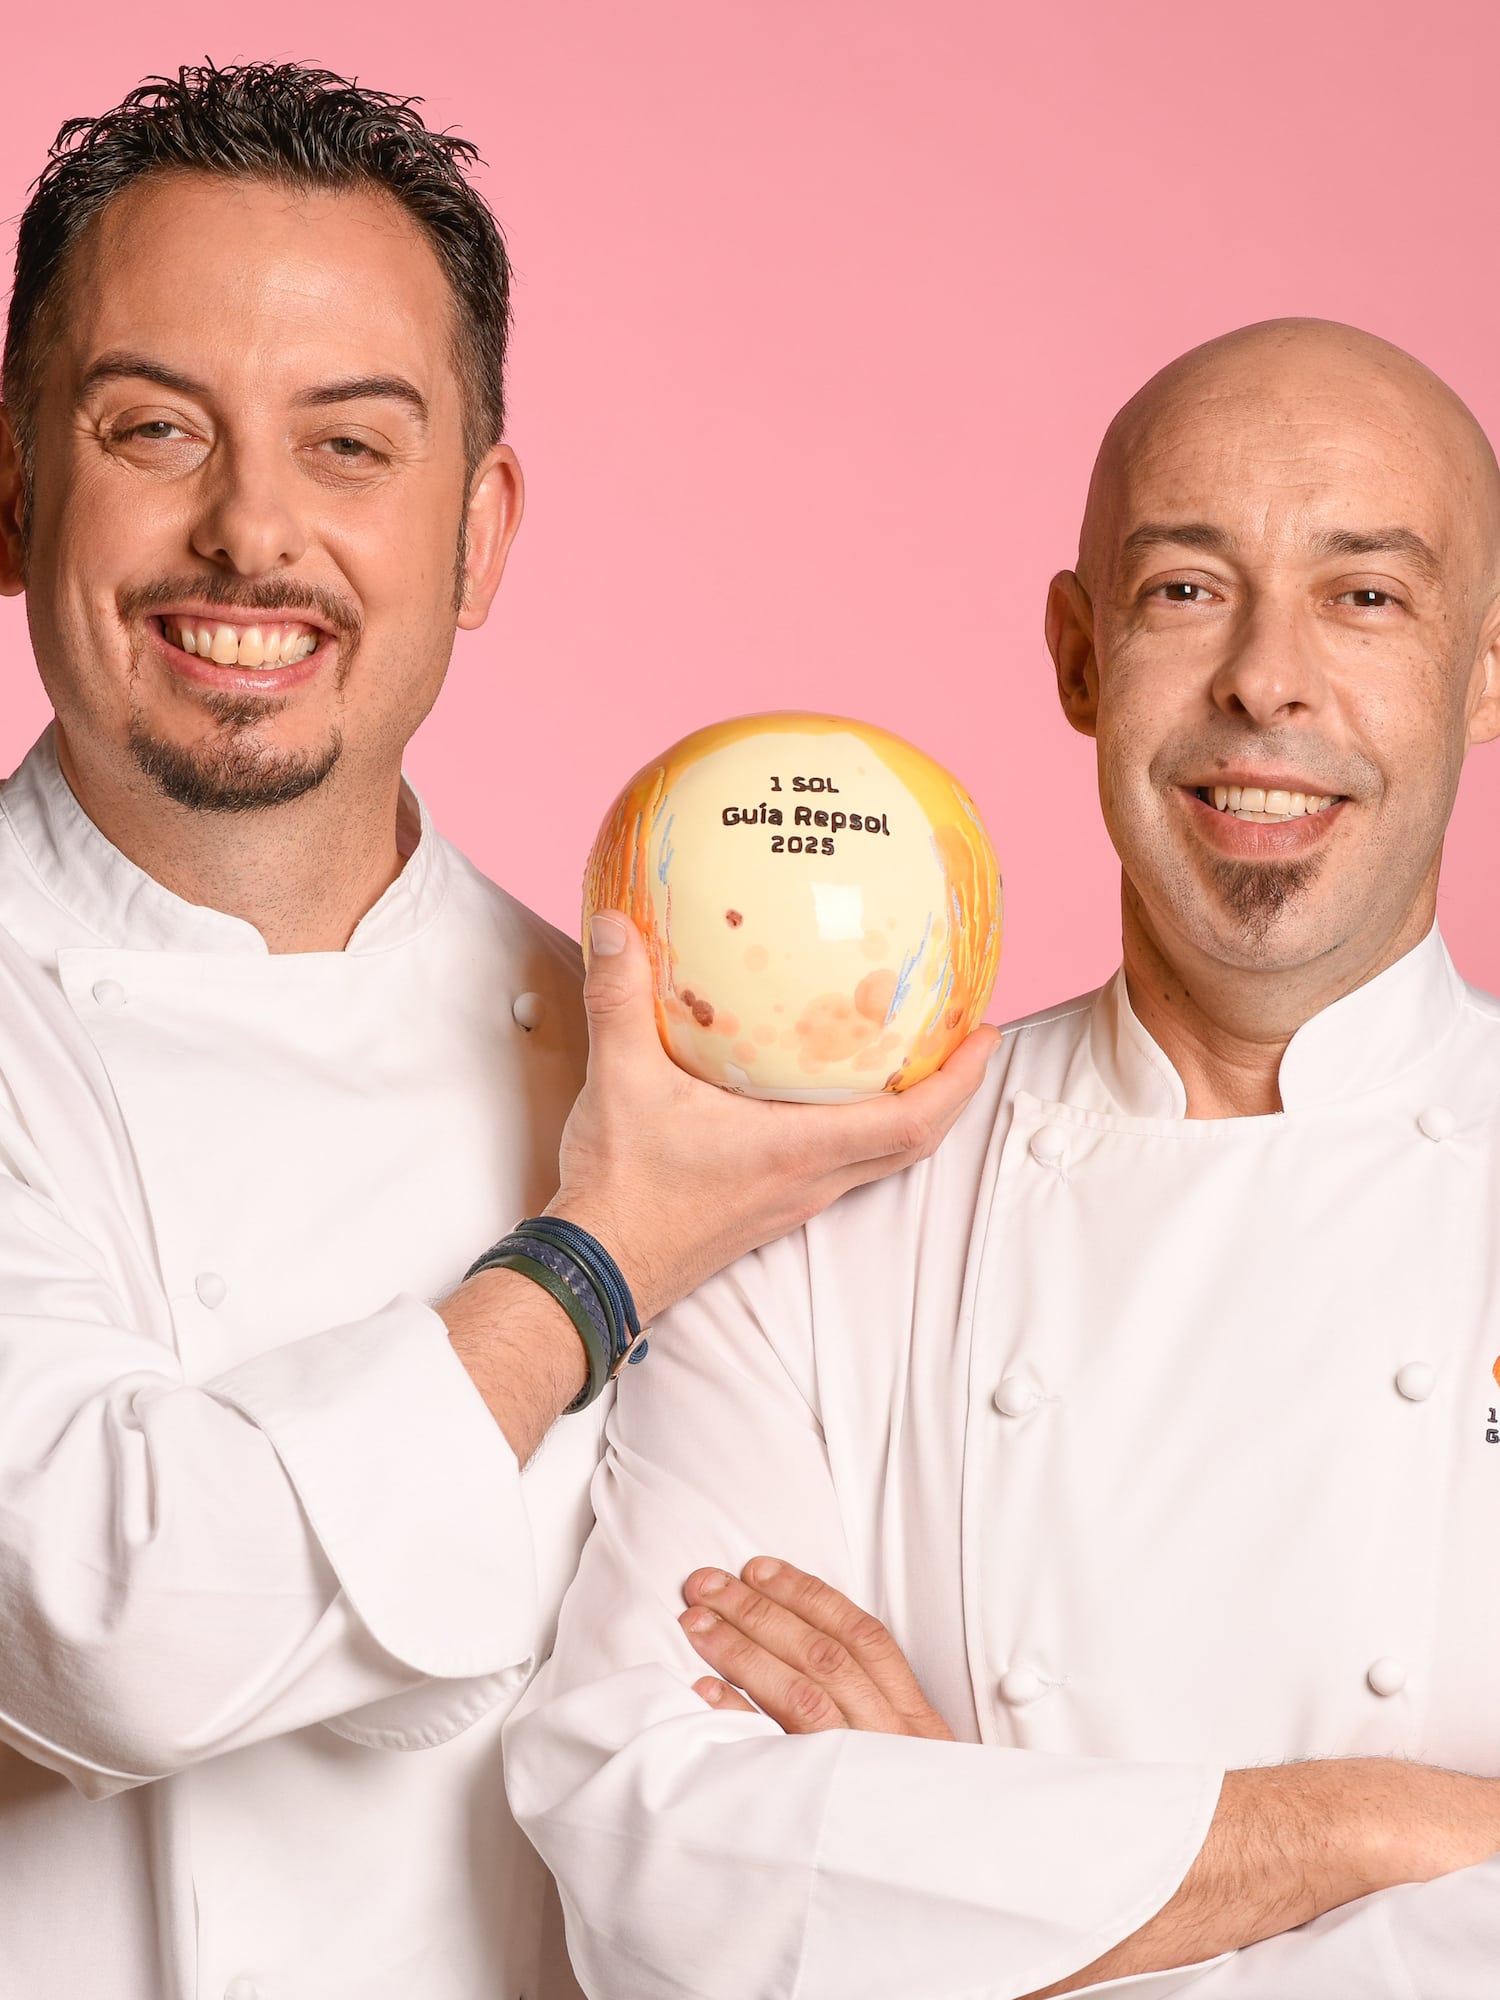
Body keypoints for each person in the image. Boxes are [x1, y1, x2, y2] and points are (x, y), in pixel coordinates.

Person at [0, 62, 994, 2000]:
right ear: (15, 485)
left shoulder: (677, 1079)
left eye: (352, 445)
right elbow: (98, 1621)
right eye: (152, 429)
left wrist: (903, 1811)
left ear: (480, 529)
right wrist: (595, 1264)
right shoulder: (661, 1184)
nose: (250, 531)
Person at [506, 317, 1500, 1999]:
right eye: (1187, 587)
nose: (1268, 677)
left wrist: (951, 1858)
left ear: (1486, 668)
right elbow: (661, 1862)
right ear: (1077, 652)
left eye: (1366, 595)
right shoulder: (818, 1202)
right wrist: (1382, 1831)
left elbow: (818, 1916)